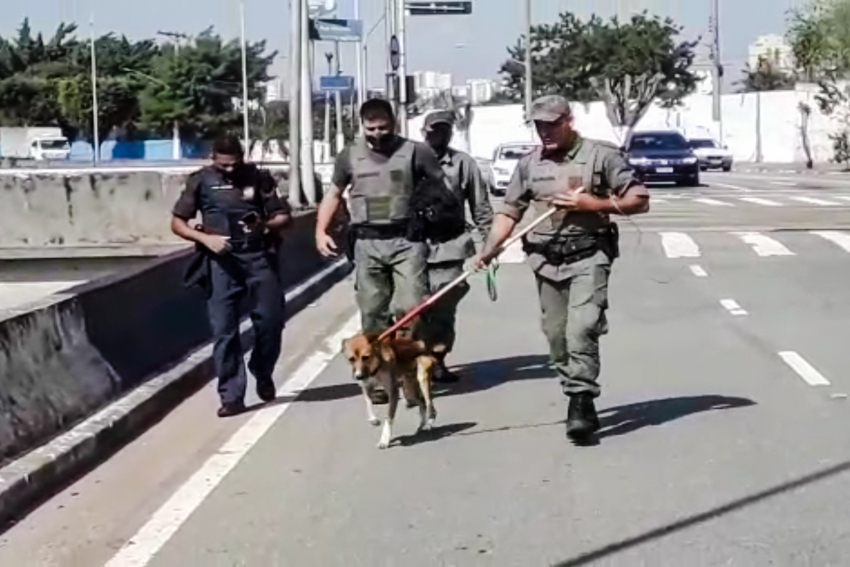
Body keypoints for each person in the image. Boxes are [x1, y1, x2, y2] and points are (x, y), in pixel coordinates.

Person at [474, 95, 650, 443]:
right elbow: (510, 211)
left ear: (569, 121)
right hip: (545, 260)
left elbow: (639, 200)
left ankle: (581, 402)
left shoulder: (601, 155)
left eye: (552, 124)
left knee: (582, 328)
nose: (545, 131)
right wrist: (490, 248)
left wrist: (593, 203)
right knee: (556, 337)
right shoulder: (529, 164)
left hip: (589, 255)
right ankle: (573, 384)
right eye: (539, 125)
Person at [315, 98, 452, 403]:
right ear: (362, 126)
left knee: (412, 306)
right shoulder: (349, 156)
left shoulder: (416, 152)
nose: (377, 134)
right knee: (373, 312)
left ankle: (410, 371)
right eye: (371, 128)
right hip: (367, 242)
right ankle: (378, 380)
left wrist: (433, 217)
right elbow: (334, 193)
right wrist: (320, 230)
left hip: (407, 240)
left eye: (383, 128)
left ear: (394, 123)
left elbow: (441, 190)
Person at [171, 135, 292, 417]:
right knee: (225, 331)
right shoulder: (200, 181)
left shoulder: (258, 178)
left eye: (234, 164)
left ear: (242, 157)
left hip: (258, 258)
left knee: (271, 322)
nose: (229, 171)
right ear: (213, 158)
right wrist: (203, 238)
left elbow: (284, 217)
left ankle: (262, 370)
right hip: (220, 261)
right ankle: (232, 395)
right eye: (223, 165)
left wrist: (264, 225)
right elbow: (177, 222)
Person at [419, 109, 494, 383]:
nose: (438, 134)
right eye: (433, 130)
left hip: (450, 247)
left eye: (444, 130)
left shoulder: (463, 164)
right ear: (423, 132)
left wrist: (491, 244)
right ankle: (412, 365)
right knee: (409, 309)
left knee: (443, 312)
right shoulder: (407, 162)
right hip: (412, 249)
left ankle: (437, 360)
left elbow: (481, 206)